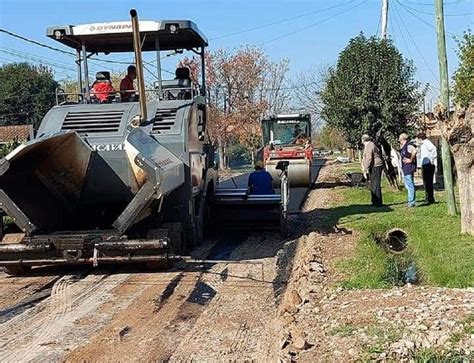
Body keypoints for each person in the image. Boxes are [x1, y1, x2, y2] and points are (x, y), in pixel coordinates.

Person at [361, 134, 384, 207]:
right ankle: (375, 202)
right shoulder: (371, 144)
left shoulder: (369, 146)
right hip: (375, 166)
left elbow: (369, 158)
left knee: (375, 184)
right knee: (374, 184)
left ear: (363, 140)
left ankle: (377, 203)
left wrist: (365, 168)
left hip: (375, 166)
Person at [416, 132, 437, 204]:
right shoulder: (422, 144)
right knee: (426, 183)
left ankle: (429, 199)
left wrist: (431, 159)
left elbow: (434, 149)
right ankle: (428, 198)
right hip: (425, 164)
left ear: (420, 138)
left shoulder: (426, 143)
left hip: (428, 164)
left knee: (428, 182)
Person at [399, 133, 417, 207]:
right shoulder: (404, 146)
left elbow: (414, 151)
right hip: (406, 167)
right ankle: (411, 201)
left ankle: (411, 202)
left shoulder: (409, 145)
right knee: (410, 184)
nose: (399, 141)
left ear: (402, 139)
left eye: (399, 139)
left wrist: (410, 159)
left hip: (408, 167)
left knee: (410, 185)